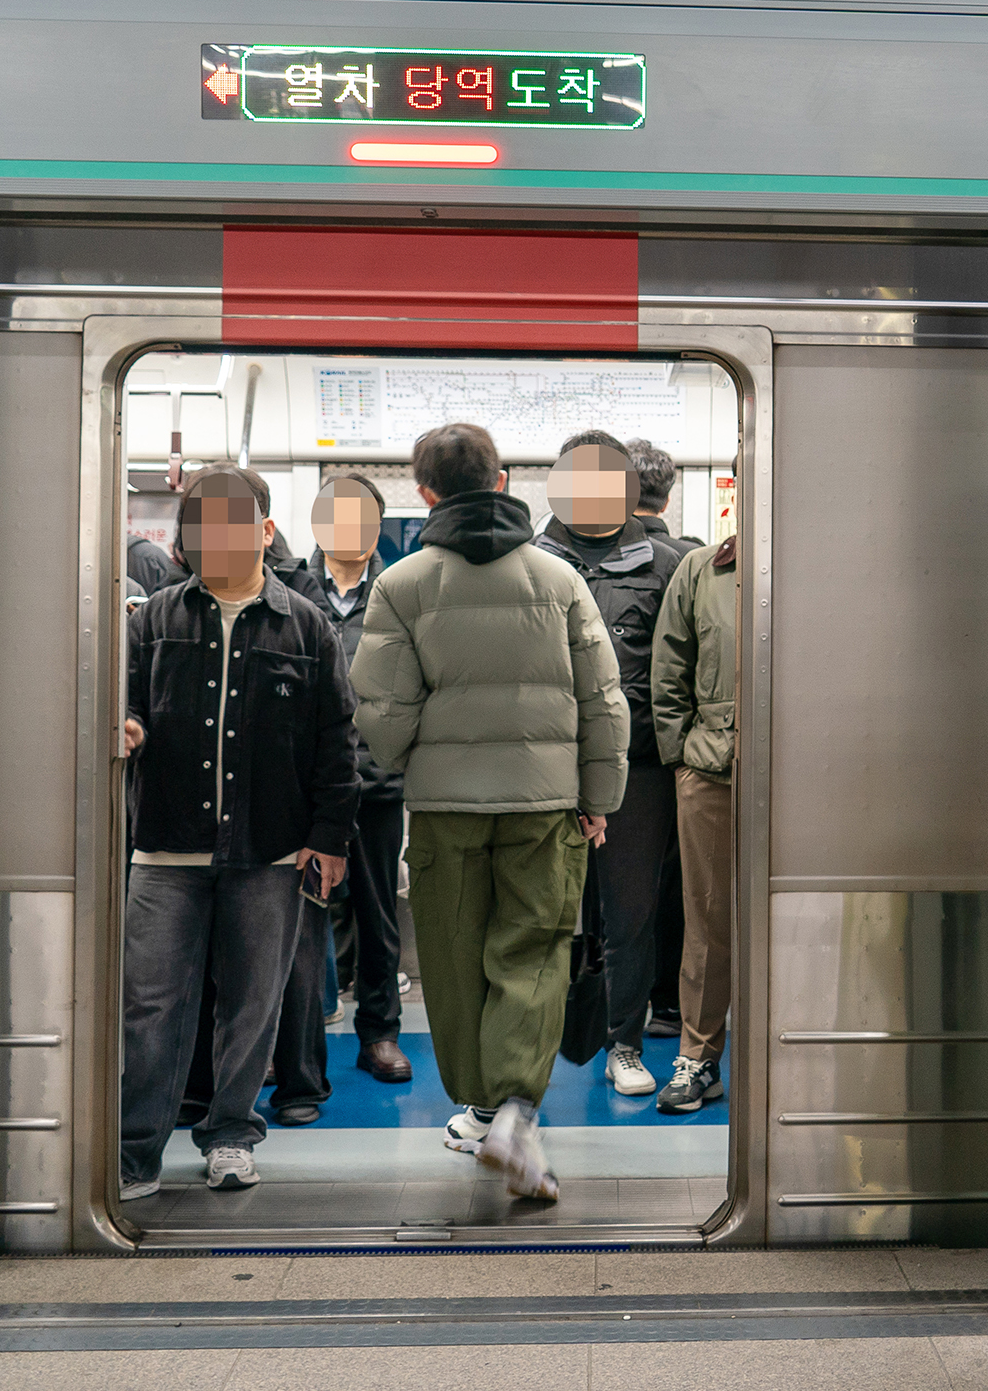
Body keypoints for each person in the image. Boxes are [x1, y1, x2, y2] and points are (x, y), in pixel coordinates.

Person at [350, 422, 627, 1202]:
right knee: (532, 949)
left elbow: (381, 718)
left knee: (450, 951)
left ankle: (478, 1103)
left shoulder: (399, 585)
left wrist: (424, 750)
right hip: (546, 804)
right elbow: (603, 702)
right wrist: (598, 799)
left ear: (425, 491)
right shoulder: (558, 578)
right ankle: (512, 1110)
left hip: (443, 808)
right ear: (502, 481)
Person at [117, 464, 357, 1199]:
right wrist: (125, 727)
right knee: (150, 1001)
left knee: (253, 1000)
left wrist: (330, 836)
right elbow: (125, 705)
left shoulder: (305, 624)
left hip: (271, 848)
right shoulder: (153, 618)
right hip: (165, 845)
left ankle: (228, 1133)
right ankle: (134, 1150)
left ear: (264, 530)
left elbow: (335, 738)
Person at [534, 433, 685, 1098]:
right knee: (536, 914)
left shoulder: (671, 566)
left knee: (630, 914)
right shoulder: (525, 562)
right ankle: (529, 1045)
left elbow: (683, 668)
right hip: (542, 767)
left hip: (638, 770)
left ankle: (624, 1041)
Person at [284, 473, 413, 1086]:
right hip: (301, 788)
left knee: (376, 912)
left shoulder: (397, 594)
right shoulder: (291, 592)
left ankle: (380, 1034)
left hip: (375, 783)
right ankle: (298, 1045)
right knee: (299, 919)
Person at [648, 502, 738, 1115]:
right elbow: (669, 666)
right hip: (713, 772)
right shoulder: (703, 569)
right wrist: (683, 754)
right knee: (706, 919)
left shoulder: (825, 572)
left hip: (808, 780)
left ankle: (794, 1062)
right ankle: (698, 1058)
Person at [627, 437, 702, 1042]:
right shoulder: (694, 561)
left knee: (617, 890)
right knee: (677, 881)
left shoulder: (587, 564)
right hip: (678, 756)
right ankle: (672, 1005)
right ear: (668, 493)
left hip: (614, 754)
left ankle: (615, 1007)